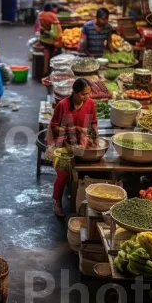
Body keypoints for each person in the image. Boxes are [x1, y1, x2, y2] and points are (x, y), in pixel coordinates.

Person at [47, 79, 97, 216]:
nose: (86, 97)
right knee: (63, 174)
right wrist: (72, 129)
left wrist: (94, 137)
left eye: (88, 93)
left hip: (80, 142)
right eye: (83, 94)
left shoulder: (91, 103)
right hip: (61, 143)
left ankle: (80, 199)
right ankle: (57, 202)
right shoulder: (63, 105)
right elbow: (54, 128)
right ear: (74, 92)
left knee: (87, 169)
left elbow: (93, 123)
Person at [38, 2, 63, 76]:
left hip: (43, 40)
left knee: (47, 55)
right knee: (54, 56)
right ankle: (51, 72)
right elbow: (55, 34)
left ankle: (45, 71)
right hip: (50, 41)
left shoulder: (41, 14)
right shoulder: (51, 16)